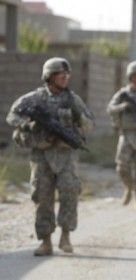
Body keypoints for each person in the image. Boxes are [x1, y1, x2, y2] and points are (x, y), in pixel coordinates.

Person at [6, 57, 94, 256]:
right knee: (42, 196)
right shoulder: (35, 98)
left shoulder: (73, 100)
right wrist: (29, 125)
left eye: (66, 74)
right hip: (41, 155)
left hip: (66, 155)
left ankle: (65, 236)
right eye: (60, 74)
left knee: (69, 192)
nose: (65, 78)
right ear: (49, 76)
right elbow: (12, 116)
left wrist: (78, 117)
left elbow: (90, 124)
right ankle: (45, 241)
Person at [107, 61, 136, 209]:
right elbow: (110, 108)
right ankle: (128, 187)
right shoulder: (123, 94)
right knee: (122, 166)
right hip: (126, 134)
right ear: (131, 76)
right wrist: (123, 106)